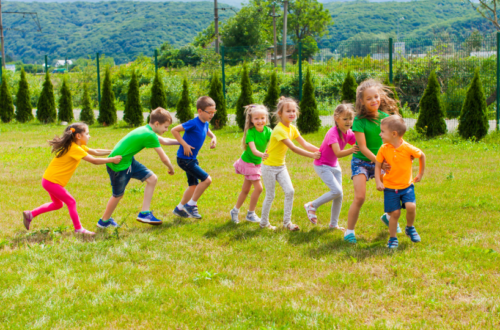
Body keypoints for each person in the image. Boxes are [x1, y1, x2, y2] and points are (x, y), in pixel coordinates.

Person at [23, 123, 122, 236]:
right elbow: (94, 160)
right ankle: (78, 229)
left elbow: (95, 151)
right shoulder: (75, 148)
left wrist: (113, 151)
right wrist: (112, 159)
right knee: (71, 201)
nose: (89, 136)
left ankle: (30, 214)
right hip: (52, 182)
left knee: (58, 204)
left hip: (49, 180)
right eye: (87, 133)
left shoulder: (76, 146)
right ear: (78, 136)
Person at [97, 108, 178, 228]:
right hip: (118, 166)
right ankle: (103, 221)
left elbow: (165, 141)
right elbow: (164, 158)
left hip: (129, 161)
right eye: (165, 127)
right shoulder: (149, 134)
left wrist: (181, 142)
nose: (166, 130)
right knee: (117, 195)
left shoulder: (146, 129)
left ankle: (144, 213)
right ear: (157, 124)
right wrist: (171, 168)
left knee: (152, 178)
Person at [345, 79, 400, 244]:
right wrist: (379, 163)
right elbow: (362, 147)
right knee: (360, 197)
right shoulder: (359, 121)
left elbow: (392, 142)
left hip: (381, 162)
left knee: (394, 194)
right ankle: (349, 232)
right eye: (369, 98)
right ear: (361, 101)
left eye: (376, 96)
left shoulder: (386, 119)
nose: (374, 100)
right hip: (361, 162)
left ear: (381, 97)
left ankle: (388, 217)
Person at [260, 97, 321, 231]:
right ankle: (264, 223)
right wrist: (312, 155)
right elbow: (293, 148)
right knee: (270, 195)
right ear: (280, 113)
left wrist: (320, 150)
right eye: (288, 111)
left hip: (281, 166)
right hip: (269, 167)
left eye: (293, 111)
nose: (292, 113)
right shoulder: (279, 130)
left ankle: (287, 223)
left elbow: (304, 143)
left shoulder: (292, 128)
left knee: (290, 191)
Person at [304, 103, 358, 230]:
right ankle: (312, 205)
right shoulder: (333, 132)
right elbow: (338, 153)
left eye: (350, 119)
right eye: (345, 119)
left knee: (339, 195)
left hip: (334, 166)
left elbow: (359, 140)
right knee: (337, 191)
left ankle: (334, 225)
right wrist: (352, 150)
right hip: (322, 165)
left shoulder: (349, 132)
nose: (348, 122)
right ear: (336, 118)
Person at [375, 115, 426, 248]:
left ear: (394, 134)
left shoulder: (408, 148)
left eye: (382, 131)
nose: (380, 134)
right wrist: (378, 182)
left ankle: (410, 228)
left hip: (407, 186)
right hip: (390, 188)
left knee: (411, 206)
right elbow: (377, 164)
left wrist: (420, 173)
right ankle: (392, 238)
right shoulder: (384, 148)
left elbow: (421, 155)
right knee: (395, 213)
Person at [171, 96, 217, 219]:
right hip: (184, 159)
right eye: (209, 112)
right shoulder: (193, 123)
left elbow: (207, 130)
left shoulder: (205, 122)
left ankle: (179, 208)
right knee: (207, 180)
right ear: (200, 111)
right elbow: (174, 130)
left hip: (191, 159)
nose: (212, 115)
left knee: (193, 186)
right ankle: (191, 205)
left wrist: (213, 137)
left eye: (214, 112)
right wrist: (184, 144)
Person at [230, 104, 272, 224]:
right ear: (251, 120)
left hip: (257, 163)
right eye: (256, 118)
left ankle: (234, 210)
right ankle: (250, 213)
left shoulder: (268, 131)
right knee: (259, 188)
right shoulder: (250, 132)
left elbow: (276, 141)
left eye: (262, 118)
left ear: (266, 119)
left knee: (246, 190)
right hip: (248, 163)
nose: (260, 121)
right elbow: (253, 150)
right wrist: (263, 155)